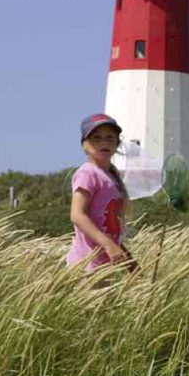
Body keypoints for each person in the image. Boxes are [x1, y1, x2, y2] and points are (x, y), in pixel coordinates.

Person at [67, 113, 134, 272]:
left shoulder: (112, 177)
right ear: (85, 144)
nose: (103, 142)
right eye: (96, 138)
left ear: (117, 143)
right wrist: (108, 245)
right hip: (86, 263)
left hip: (104, 264)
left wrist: (128, 260)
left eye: (110, 137)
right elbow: (77, 215)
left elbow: (108, 226)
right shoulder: (87, 173)